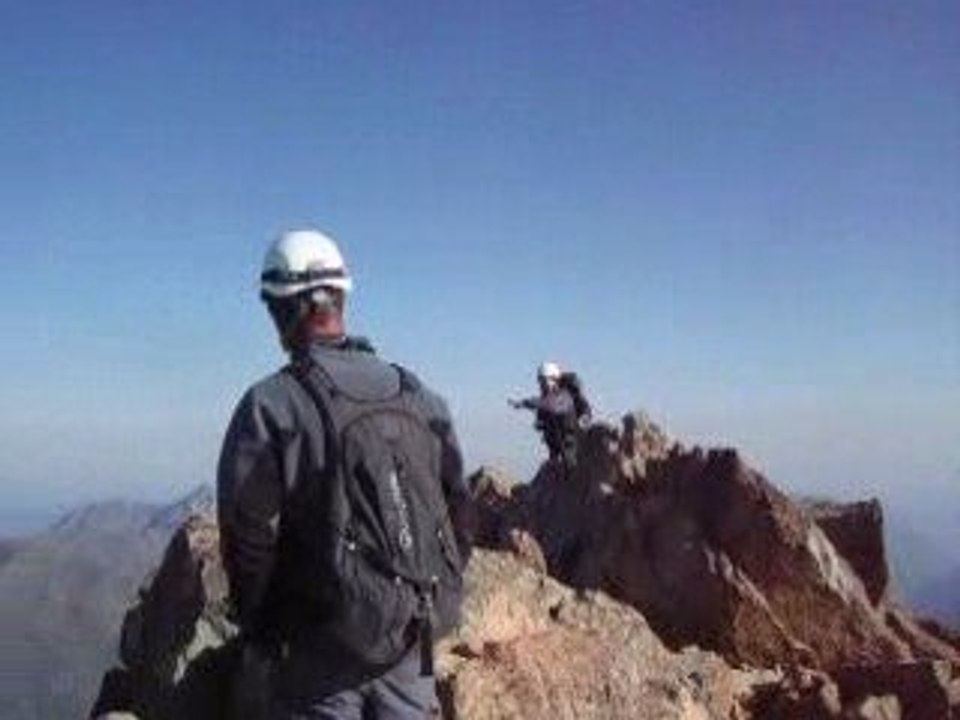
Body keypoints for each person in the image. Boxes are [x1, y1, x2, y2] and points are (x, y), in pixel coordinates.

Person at [217, 228, 473, 719]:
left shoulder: (272, 405)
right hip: (414, 635)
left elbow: (247, 534)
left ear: (283, 309)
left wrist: (264, 630)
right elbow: (460, 510)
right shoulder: (420, 397)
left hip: (322, 649)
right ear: (339, 299)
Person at [509, 361, 581, 472]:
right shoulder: (548, 398)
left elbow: (549, 405)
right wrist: (540, 424)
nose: (541, 384)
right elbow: (544, 414)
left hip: (571, 448)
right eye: (540, 381)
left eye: (543, 380)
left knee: (571, 475)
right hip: (557, 450)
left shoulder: (564, 396)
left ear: (554, 380)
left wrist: (525, 403)